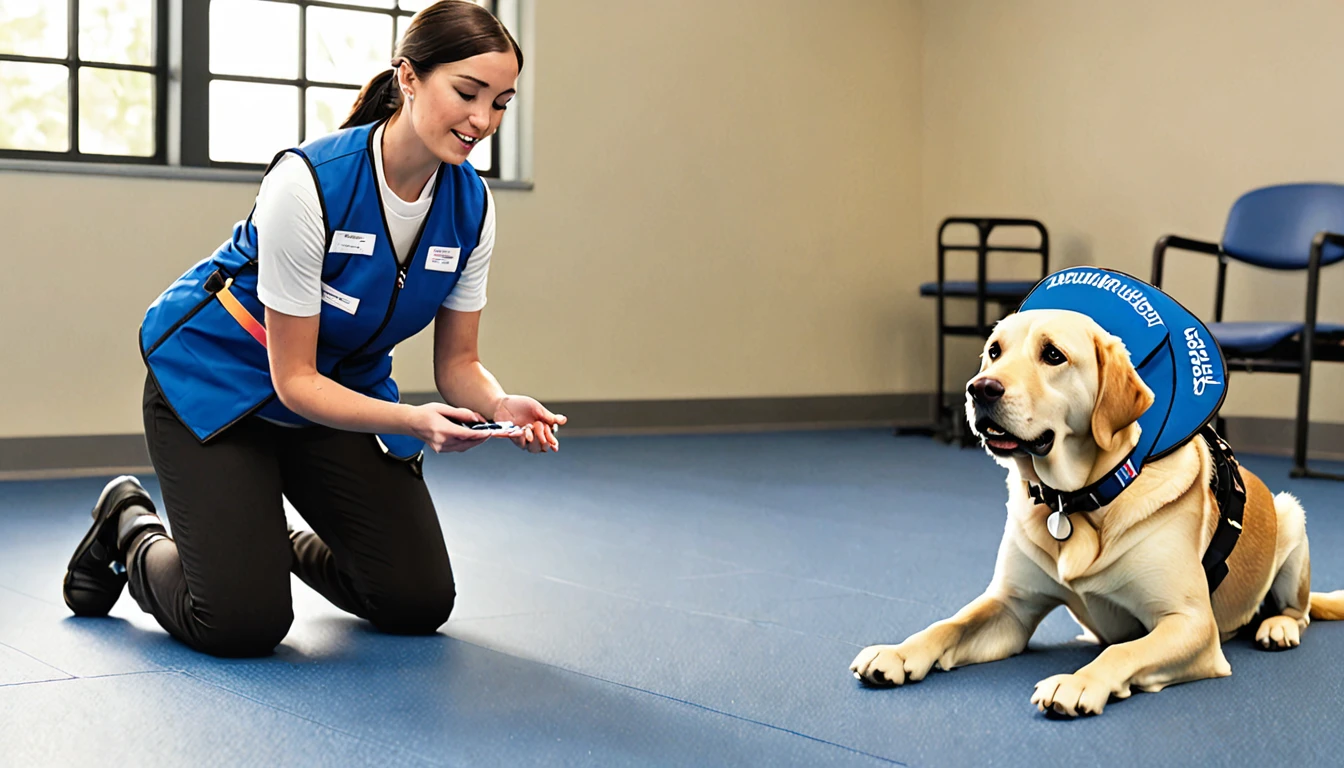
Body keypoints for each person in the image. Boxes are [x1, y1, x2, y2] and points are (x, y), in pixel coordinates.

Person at [61, 0, 564, 658]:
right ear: (409, 78)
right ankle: (128, 524)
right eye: (467, 93)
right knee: (241, 623)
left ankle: (265, 547)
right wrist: (412, 422)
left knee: (416, 602)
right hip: (218, 387)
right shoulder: (308, 183)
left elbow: (458, 365)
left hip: (335, 399)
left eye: (501, 102)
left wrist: (497, 405)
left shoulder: (471, 205)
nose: (482, 121)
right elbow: (293, 378)